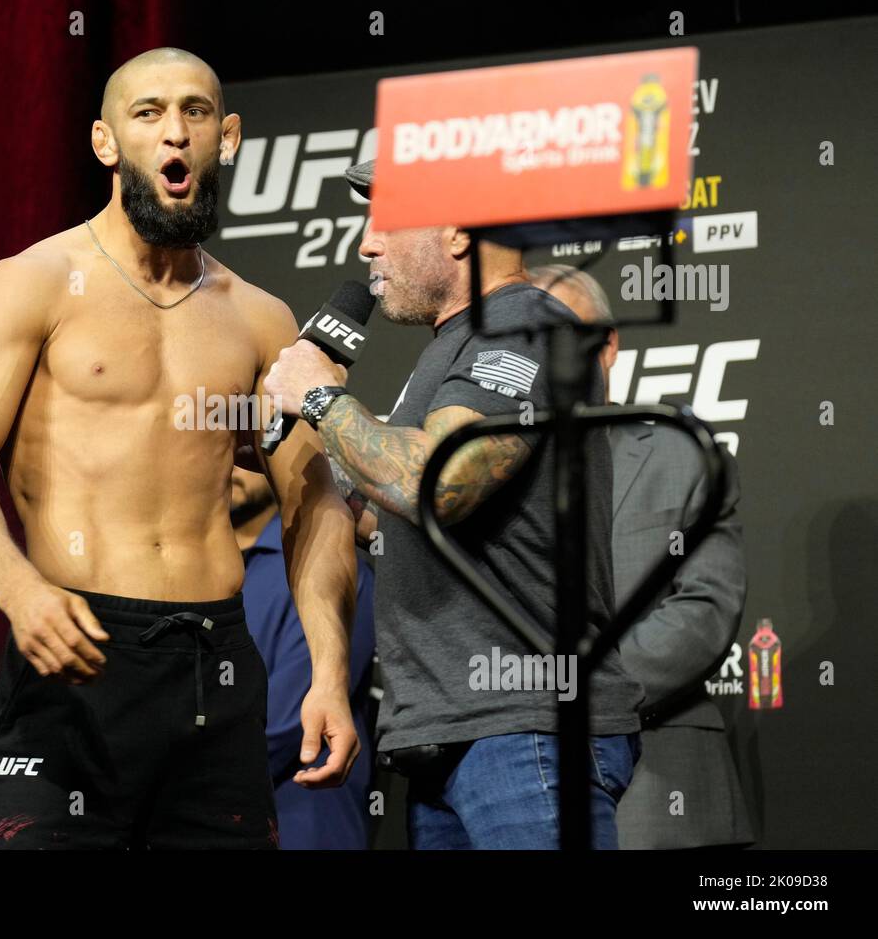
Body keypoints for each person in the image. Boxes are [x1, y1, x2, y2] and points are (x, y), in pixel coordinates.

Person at [0, 48, 359, 849]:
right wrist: (19, 592)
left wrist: (329, 669)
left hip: (213, 663)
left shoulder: (259, 318)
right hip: (72, 652)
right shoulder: (34, 282)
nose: (174, 135)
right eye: (148, 113)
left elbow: (311, 500)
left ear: (225, 137)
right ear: (105, 141)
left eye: (195, 113)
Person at [265, 160, 645, 850]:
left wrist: (322, 400)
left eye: (385, 221)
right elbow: (400, 515)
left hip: (526, 728)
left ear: (460, 230)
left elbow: (439, 484)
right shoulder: (455, 347)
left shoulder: (527, 327)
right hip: (450, 733)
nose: (366, 245)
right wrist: (309, 467)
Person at [530, 264, 754, 849]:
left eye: (565, 337)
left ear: (607, 345)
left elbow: (703, 609)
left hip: (659, 783)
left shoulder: (682, 454)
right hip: (510, 786)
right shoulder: (483, 472)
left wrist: (573, 690)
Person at [232, 464, 376, 849]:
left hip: (303, 824)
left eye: (241, 443)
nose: (228, 461)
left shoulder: (325, 571)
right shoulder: (193, 580)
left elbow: (285, 727)